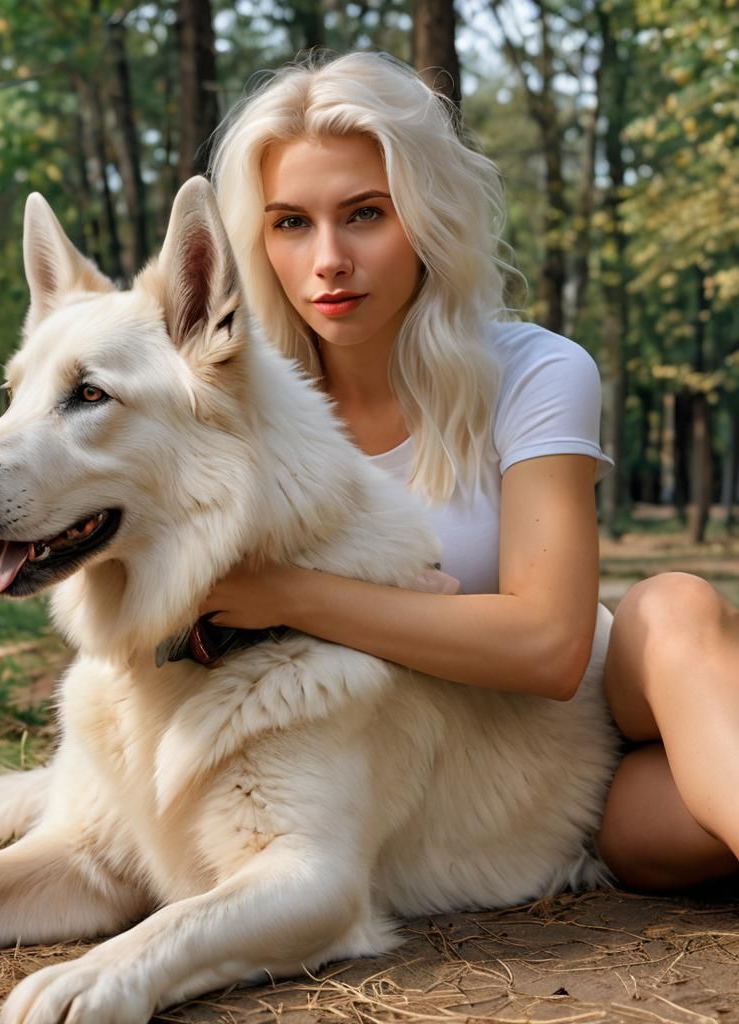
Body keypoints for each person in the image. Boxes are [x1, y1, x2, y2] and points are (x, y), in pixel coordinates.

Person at [200, 51, 739, 891]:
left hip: (607, 697)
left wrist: (290, 594)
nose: (329, 259)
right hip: (541, 801)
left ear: (427, 217)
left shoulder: (536, 370)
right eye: (291, 223)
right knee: (650, 841)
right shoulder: (240, 414)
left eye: (365, 214)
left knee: (674, 604)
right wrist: (403, 608)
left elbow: (552, 647)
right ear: (257, 241)